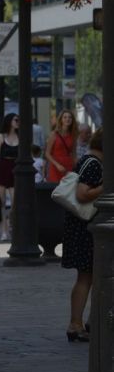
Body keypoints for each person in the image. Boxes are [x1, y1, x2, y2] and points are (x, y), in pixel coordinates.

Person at [61, 128, 103, 343]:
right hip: (85, 228)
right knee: (86, 277)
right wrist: (106, 187)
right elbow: (82, 194)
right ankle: (76, 324)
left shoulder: (89, 161)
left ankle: (86, 322)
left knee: (90, 277)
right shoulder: (94, 164)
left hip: (82, 227)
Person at [0, 113, 19, 241]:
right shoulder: (1, 136)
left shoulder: (20, 136)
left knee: (15, 201)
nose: (18, 122)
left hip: (15, 169)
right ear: (9, 121)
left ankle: (8, 220)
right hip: (2, 168)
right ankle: (4, 231)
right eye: (15, 120)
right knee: (1, 202)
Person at [45, 109, 78, 183]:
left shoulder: (73, 135)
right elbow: (47, 153)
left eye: (70, 117)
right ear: (61, 120)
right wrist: (57, 165)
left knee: (67, 189)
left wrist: (79, 166)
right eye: (65, 117)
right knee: (55, 189)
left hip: (68, 166)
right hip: (56, 166)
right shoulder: (54, 134)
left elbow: (74, 154)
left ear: (72, 120)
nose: (67, 119)